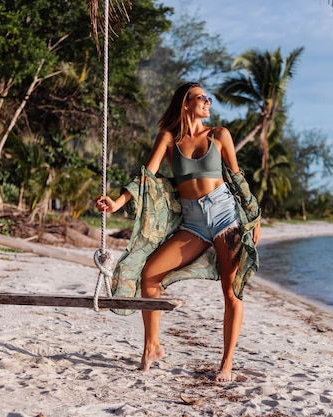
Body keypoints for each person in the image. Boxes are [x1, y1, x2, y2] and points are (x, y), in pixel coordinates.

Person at [96, 82, 261, 382]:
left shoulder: (220, 135)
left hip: (226, 217)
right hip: (194, 223)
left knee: (231, 292)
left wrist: (254, 217)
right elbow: (146, 176)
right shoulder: (169, 140)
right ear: (185, 104)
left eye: (208, 98)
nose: (207, 102)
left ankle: (226, 363)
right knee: (150, 275)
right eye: (201, 98)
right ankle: (152, 345)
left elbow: (237, 178)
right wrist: (117, 203)